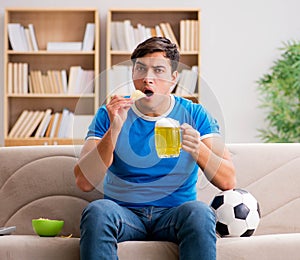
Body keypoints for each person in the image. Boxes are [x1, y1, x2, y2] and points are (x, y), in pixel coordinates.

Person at [74, 36, 236, 260]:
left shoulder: (196, 114)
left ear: (173, 79)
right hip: (124, 213)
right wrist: (114, 130)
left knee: (200, 213)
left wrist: (198, 148)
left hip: (175, 214)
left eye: (158, 71)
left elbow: (228, 180)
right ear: (132, 75)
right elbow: (83, 181)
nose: (147, 79)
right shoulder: (109, 114)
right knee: (98, 211)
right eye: (140, 69)